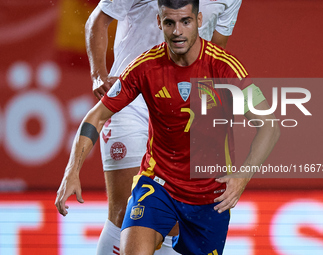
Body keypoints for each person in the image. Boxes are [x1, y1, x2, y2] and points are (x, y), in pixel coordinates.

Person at [56, 0, 280, 254]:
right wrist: (72, 170)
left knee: (172, 227)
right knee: (124, 211)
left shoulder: (225, 67)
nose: (177, 31)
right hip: (133, 101)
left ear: (199, 20)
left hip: (196, 135)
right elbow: (95, 115)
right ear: (159, 21)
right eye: (169, 23)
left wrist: (241, 176)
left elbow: (269, 125)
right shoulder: (143, 67)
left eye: (185, 22)